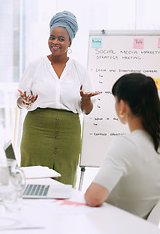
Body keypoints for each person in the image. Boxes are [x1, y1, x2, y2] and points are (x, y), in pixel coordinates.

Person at [17, 10, 99, 186]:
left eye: (61, 39)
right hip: (36, 130)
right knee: (33, 182)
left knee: (64, 183)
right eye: (52, 37)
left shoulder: (79, 70)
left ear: (70, 42)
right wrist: (24, 101)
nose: (55, 42)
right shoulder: (35, 66)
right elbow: (20, 100)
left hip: (68, 134)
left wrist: (85, 99)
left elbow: (87, 110)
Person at [85, 73, 160, 219]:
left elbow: (94, 197)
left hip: (111, 227)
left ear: (122, 105)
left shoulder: (126, 145)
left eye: (115, 101)